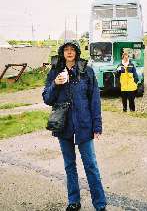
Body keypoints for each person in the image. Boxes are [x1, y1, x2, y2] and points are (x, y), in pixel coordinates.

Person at [42, 40, 107, 211]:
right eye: (66, 50)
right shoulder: (55, 71)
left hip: (84, 126)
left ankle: (100, 204)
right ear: (62, 52)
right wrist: (55, 83)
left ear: (77, 52)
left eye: (72, 49)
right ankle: (74, 201)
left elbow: (94, 101)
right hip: (63, 127)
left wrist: (97, 126)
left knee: (91, 165)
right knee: (70, 165)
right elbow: (47, 99)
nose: (69, 52)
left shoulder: (87, 71)